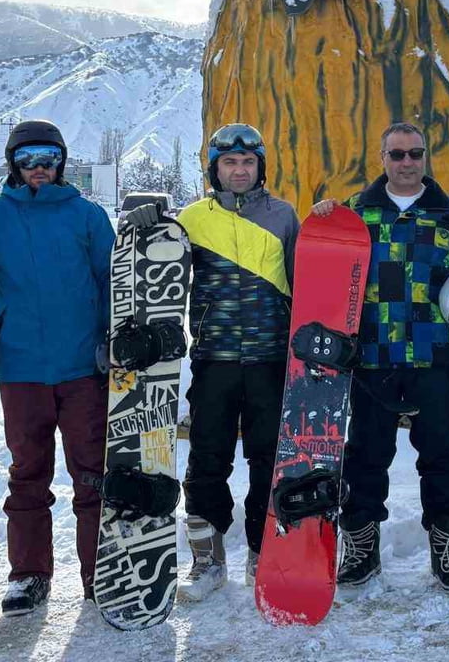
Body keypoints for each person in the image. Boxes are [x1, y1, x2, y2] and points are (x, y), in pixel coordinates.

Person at [312, 122, 449, 593]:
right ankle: (361, 544)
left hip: (432, 356)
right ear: (382, 158)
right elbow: (323, 264)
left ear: (425, 157)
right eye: (396, 154)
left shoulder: (448, 215)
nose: (406, 163)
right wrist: (322, 217)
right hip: (372, 358)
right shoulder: (355, 213)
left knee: (441, 456)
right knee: (365, 457)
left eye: (415, 153)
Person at [0, 118, 116, 616]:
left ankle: (98, 572)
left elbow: (111, 282)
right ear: (13, 164)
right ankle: (29, 575)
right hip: (20, 368)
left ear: (62, 161)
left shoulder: (88, 216)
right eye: (28, 159)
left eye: (48, 157)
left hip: (83, 367)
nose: (39, 168)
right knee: (27, 474)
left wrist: (110, 340)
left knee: (93, 475)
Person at [175, 123, 299, 601]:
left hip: (270, 358)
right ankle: (207, 560)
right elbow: (159, 275)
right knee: (208, 459)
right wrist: (149, 231)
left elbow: (308, 279)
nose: (240, 170)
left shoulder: (284, 217)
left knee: (268, 459)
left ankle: (262, 549)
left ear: (260, 166)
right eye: (230, 163)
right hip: (214, 359)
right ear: (215, 168)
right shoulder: (191, 219)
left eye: (249, 162)